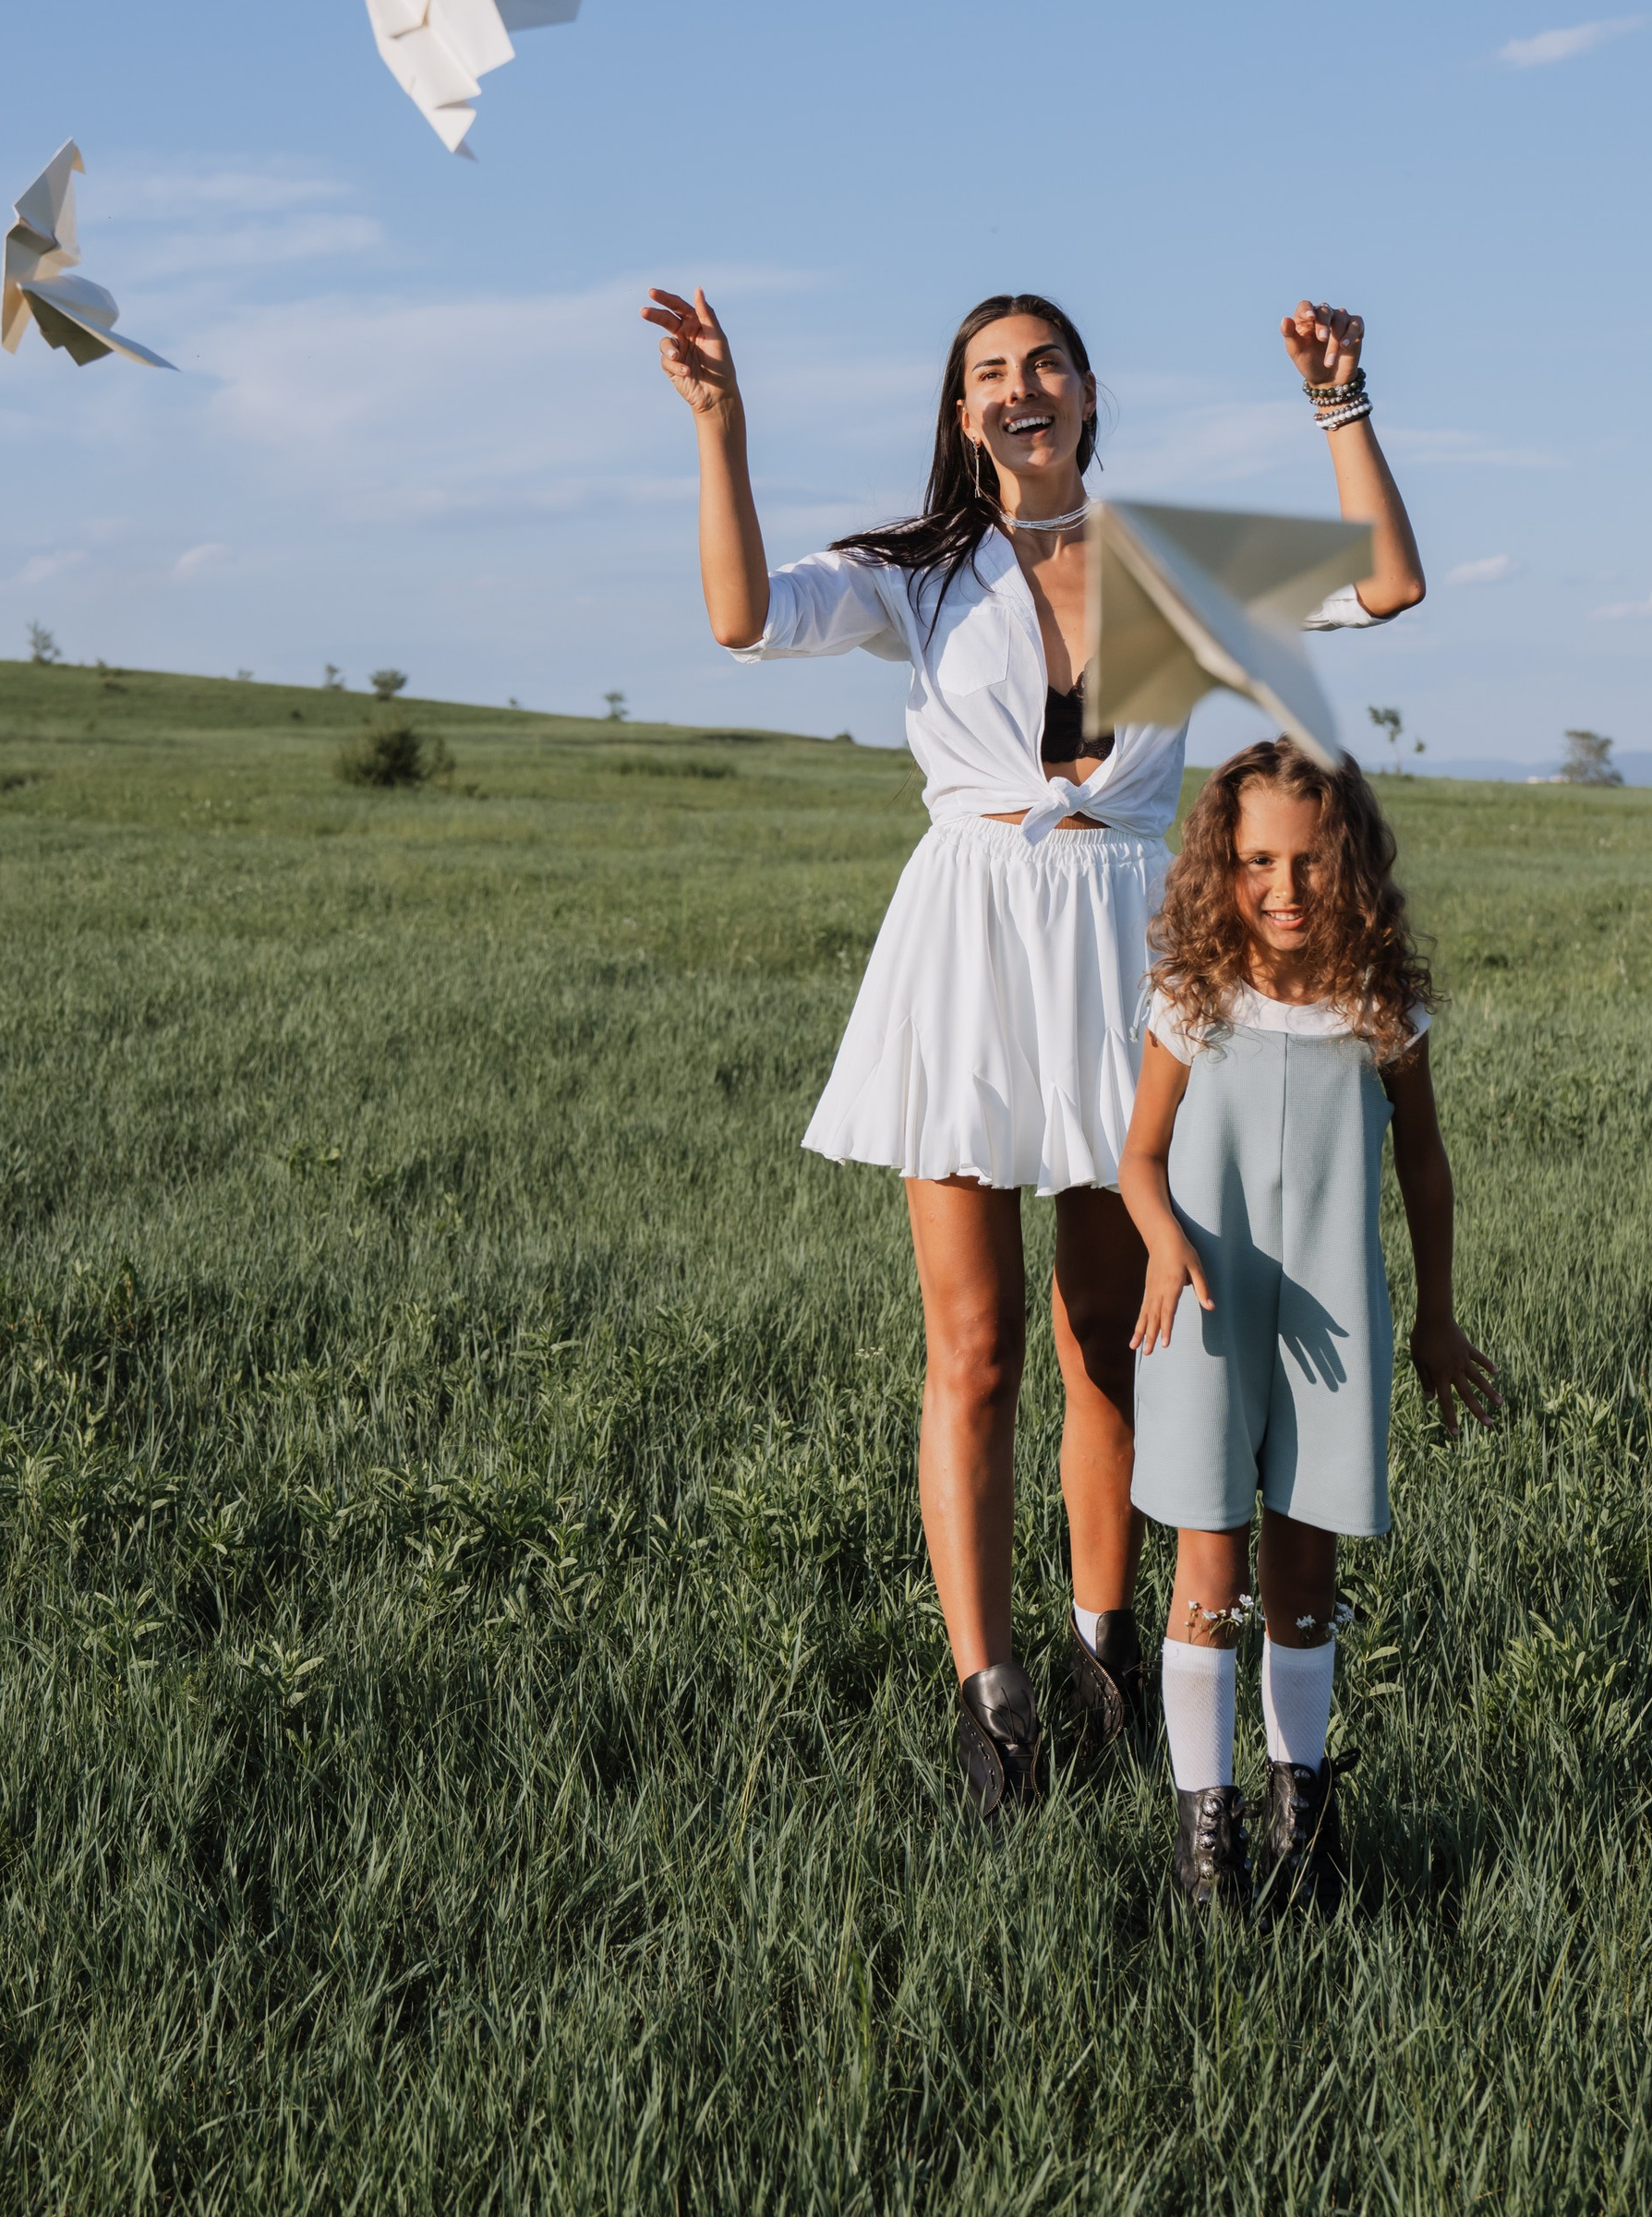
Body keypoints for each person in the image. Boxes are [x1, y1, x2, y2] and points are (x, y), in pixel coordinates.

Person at [643, 280, 1429, 1815]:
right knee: (976, 1347)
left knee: (1109, 1338)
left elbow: (1386, 583)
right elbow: (742, 618)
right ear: (962, 414)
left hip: (1127, 948)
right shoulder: (917, 572)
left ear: (1087, 395)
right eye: (992, 371)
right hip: (968, 948)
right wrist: (720, 425)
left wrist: (1340, 403)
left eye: (1048, 363)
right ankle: (989, 1698)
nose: (1023, 388)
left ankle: (1101, 1651)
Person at [1119, 739, 1501, 1919]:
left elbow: (1425, 1165)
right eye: (1257, 862)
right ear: (1221, 866)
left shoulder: (1379, 1008)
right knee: (1208, 1562)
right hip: (1203, 1313)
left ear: (1351, 861)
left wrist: (1436, 1320)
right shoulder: (1191, 997)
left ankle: (1305, 1818)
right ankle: (1205, 1834)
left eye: (1309, 861)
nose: (1283, 887)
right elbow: (1138, 1158)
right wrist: (1161, 1238)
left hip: (1334, 1325)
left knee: (1304, 1567)